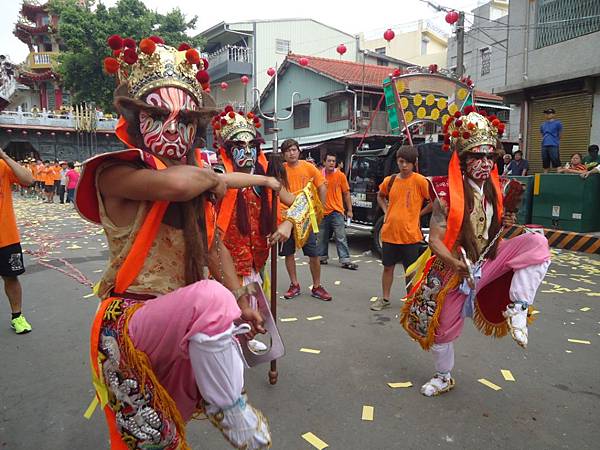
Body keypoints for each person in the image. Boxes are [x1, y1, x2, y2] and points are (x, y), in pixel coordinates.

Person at [76, 39, 270, 449]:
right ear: (134, 117)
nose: (171, 130)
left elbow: (215, 248)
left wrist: (242, 298)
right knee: (210, 298)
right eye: (158, 115)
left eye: (184, 122)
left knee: (168, 433)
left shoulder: (197, 181)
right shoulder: (115, 173)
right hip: (130, 323)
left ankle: (224, 404)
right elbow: (181, 183)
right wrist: (217, 177)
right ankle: (231, 408)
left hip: (180, 325)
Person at [401, 107, 550, 397]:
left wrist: (506, 223)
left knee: (537, 243)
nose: (484, 163)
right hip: (455, 269)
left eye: (489, 157)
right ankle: (443, 376)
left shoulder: (498, 190)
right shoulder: (444, 193)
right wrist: (454, 263)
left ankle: (518, 308)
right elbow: (435, 240)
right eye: (477, 157)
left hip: (489, 261)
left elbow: (494, 235)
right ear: (463, 160)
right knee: (441, 329)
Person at [371, 146, 430, 312]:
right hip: (389, 234)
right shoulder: (390, 181)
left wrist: (419, 213)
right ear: (397, 161)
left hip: (410, 235)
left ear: (414, 163)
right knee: (387, 268)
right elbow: (380, 195)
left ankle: (411, 302)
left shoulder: (420, 181)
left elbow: (434, 202)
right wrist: (386, 210)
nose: (404, 165)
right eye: (401, 161)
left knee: (410, 271)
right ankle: (385, 299)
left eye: (408, 163)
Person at [279, 138, 332, 301]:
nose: (291, 153)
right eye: (288, 150)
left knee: (313, 253)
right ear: (283, 154)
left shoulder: (308, 167)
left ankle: (317, 286)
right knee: (288, 253)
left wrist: (320, 210)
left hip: (307, 219)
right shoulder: (280, 169)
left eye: (294, 149)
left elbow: (322, 186)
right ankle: (294, 284)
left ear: (299, 151)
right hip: (286, 217)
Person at [0, 147, 34, 334]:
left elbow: (28, 180)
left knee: (11, 277)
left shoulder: (2, 166)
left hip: (5, 236)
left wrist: (4, 156)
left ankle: (17, 317)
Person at [318, 152, 357, 270]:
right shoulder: (319, 175)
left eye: (333, 161)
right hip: (322, 211)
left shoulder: (340, 176)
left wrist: (349, 210)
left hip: (337, 211)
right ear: (324, 162)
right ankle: (321, 257)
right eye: (329, 161)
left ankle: (345, 260)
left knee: (340, 236)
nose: (331, 163)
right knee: (321, 236)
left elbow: (346, 193)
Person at [540, 108, 562, 173]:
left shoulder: (558, 123)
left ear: (553, 114)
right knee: (545, 161)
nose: (547, 115)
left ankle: (559, 175)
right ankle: (545, 176)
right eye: (546, 113)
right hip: (544, 145)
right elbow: (542, 134)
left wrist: (556, 141)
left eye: (549, 113)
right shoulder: (543, 124)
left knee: (556, 159)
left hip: (553, 144)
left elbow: (560, 134)